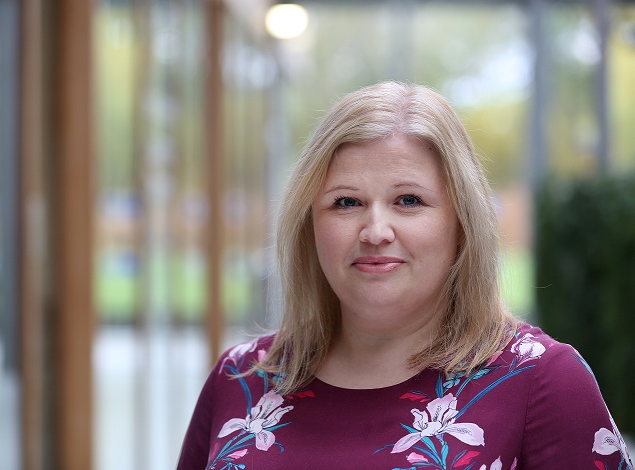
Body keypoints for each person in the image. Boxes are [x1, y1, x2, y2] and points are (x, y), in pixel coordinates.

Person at [177, 81, 632, 469]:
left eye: (409, 200)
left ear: (462, 223)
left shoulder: (544, 383)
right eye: (346, 202)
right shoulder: (239, 379)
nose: (375, 231)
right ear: (309, 224)